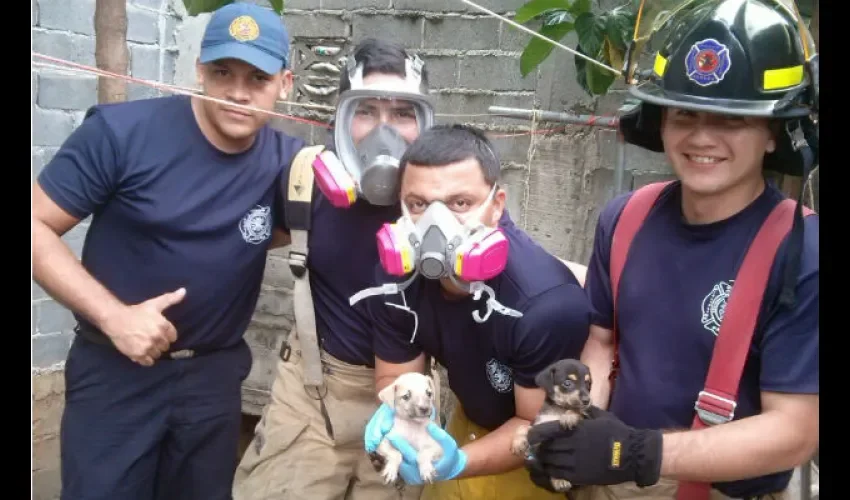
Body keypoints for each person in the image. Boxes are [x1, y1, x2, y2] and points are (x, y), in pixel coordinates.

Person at [524, 1, 819, 499]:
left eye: (731, 118)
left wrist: (638, 452)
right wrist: (573, 432)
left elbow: (794, 432)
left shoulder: (802, 252)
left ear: (773, 133)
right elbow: (603, 342)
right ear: (660, 121)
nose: (702, 136)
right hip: (613, 481)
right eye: (685, 113)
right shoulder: (624, 219)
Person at [31, 4, 303, 499]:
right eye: (223, 72)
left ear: (285, 84)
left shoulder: (289, 166)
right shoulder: (122, 133)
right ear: (199, 68)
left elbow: (294, 232)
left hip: (213, 380)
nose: (238, 92)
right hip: (115, 372)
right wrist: (115, 317)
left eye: (257, 78)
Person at [232, 38, 436, 500]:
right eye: (366, 111)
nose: (384, 130)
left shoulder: (449, 198)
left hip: (410, 400)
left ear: (425, 122)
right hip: (312, 393)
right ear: (341, 118)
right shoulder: (305, 181)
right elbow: (238, 240)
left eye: (403, 113)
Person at [359, 124, 593, 500]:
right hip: (466, 422)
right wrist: (394, 415)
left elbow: (535, 425)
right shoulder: (395, 282)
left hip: (535, 450)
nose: (436, 225)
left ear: (497, 205)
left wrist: (457, 462)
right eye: (418, 205)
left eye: (460, 204)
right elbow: (397, 375)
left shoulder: (544, 306)